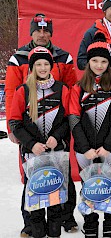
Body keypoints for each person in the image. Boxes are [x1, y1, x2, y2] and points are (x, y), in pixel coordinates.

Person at [5, 14, 78, 236]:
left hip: (56, 130)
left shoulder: (63, 57)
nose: (42, 34)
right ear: (32, 32)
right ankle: (31, 224)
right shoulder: (18, 58)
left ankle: (66, 217)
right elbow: (12, 93)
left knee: (62, 175)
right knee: (33, 178)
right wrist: (13, 128)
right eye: (38, 30)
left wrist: (64, 131)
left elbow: (72, 90)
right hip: (30, 130)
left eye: (46, 31)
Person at [69, 41, 111, 238]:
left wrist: (108, 146)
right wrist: (84, 148)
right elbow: (73, 119)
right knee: (88, 189)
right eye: (94, 60)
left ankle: (110, 226)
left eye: (103, 61)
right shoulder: (78, 87)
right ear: (88, 62)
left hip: (110, 149)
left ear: (108, 63)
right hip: (86, 151)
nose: (99, 65)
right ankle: (90, 226)